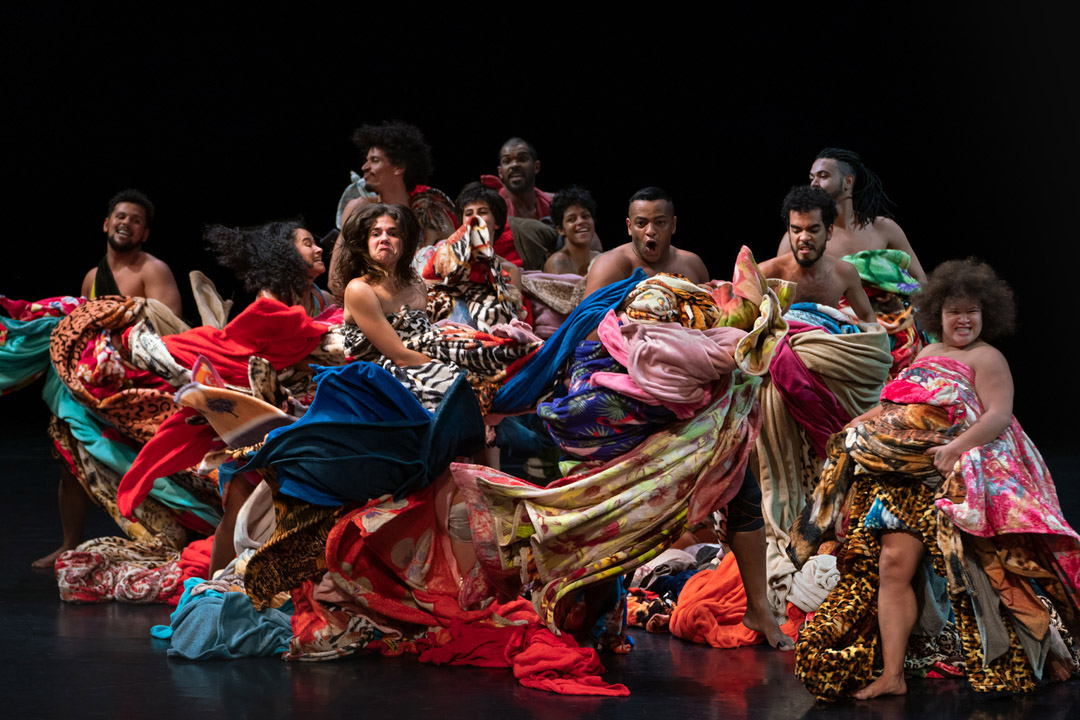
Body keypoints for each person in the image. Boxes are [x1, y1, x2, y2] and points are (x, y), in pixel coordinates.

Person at [792, 259, 1080, 700]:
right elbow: (893, 405)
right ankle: (892, 675)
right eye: (953, 311)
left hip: (954, 477)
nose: (963, 319)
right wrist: (855, 427)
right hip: (904, 478)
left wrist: (954, 448)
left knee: (992, 574)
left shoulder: (988, 357)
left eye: (972, 312)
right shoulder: (926, 354)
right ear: (936, 315)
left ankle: (1046, 651)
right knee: (891, 567)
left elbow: (999, 417)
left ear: (986, 315)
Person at [335, 122, 457, 295]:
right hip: (372, 304)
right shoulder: (359, 209)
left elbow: (459, 264)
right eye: (366, 160)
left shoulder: (429, 210)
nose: (365, 167)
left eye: (374, 161)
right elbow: (337, 279)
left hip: (430, 303)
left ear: (399, 167)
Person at [775, 148, 927, 284]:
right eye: (811, 178)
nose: (814, 184)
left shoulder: (884, 228)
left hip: (886, 313)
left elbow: (920, 280)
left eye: (823, 176)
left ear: (848, 182)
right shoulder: (798, 236)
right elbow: (777, 289)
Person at [334, 204, 433, 367]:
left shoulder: (417, 285)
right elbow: (400, 357)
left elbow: (424, 339)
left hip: (421, 366)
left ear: (405, 243)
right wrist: (448, 365)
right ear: (366, 243)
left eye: (393, 233)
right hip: (379, 378)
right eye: (375, 233)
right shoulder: (359, 289)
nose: (384, 238)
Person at [759, 186, 877, 323]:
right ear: (789, 232)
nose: (804, 237)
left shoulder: (844, 273)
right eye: (796, 230)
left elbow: (868, 317)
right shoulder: (766, 273)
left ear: (829, 231)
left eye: (813, 230)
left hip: (829, 341)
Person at [584, 187, 708, 296]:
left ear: (673, 225)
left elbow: (713, 315)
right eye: (641, 223)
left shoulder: (693, 265)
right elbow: (586, 319)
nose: (650, 231)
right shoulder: (609, 265)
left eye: (660, 222)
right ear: (629, 226)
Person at [81, 189, 183, 317]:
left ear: (145, 235)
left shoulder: (154, 270)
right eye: (121, 216)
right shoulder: (91, 277)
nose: (126, 222)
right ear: (106, 225)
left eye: (136, 221)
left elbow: (170, 325)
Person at [205, 221, 335, 318]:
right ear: (287, 253)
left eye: (315, 244)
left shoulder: (324, 299)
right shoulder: (271, 298)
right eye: (308, 244)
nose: (319, 249)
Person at [544, 186, 602, 276]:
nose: (581, 221)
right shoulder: (557, 263)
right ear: (561, 230)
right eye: (571, 219)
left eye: (585, 216)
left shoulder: (599, 259)